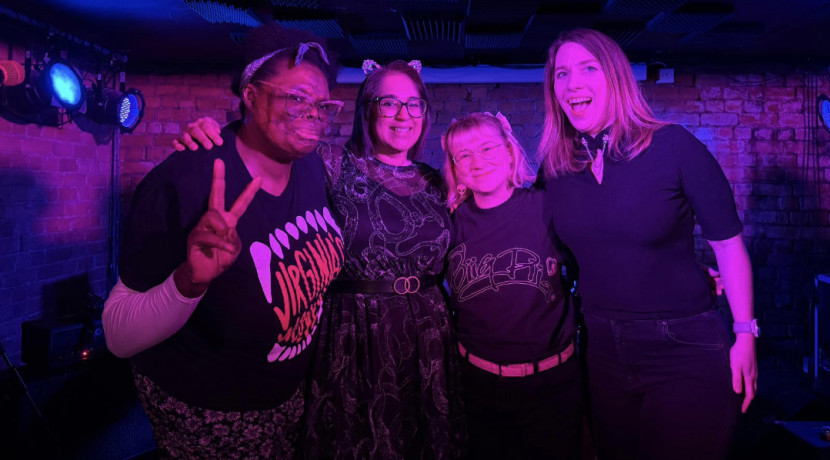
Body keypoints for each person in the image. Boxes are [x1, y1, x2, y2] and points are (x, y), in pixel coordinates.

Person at [172, 59, 466, 459]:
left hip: (428, 333)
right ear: (367, 109)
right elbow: (264, 150)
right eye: (389, 103)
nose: (404, 115)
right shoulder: (330, 163)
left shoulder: (436, 181)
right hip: (355, 332)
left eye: (414, 104)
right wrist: (213, 135)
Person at [102, 25, 345, 458]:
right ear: (250, 95)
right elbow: (118, 335)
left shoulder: (311, 167)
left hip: (287, 402)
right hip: (210, 416)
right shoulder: (186, 180)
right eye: (296, 98)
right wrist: (190, 281)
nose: (314, 114)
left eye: (322, 105)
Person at [538, 28, 757, 460]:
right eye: (561, 73)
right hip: (601, 350)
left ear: (616, 77)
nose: (572, 83)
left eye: (588, 68)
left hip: (682, 347)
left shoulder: (674, 147)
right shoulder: (557, 168)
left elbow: (728, 246)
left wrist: (745, 333)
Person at [442, 112, 582, 459]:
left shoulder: (547, 208)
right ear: (455, 168)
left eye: (487, 148)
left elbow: (600, 260)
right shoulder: (448, 225)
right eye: (464, 155)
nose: (478, 162)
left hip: (551, 386)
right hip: (477, 387)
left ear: (509, 152)